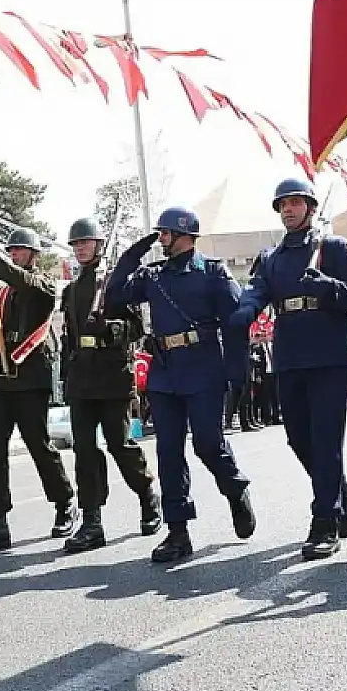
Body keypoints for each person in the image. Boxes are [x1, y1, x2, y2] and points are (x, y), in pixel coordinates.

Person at [109, 208, 254, 564]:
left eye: (164, 234)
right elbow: (113, 296)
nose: (160, 240)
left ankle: (235, 491)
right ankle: (178, 532)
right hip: (164, 372)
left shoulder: (213, 272)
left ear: (183, 234)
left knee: (208, 445)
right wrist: (131, 255)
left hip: (203, 368)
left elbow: (235, 323)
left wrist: (238, 374)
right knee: (168, 454)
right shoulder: (153, 275)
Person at [234, 179, 347, 560]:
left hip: (329, 353)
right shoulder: (271, 257)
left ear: (309, 207)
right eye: (283, 204)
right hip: (290, 354)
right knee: (297, 438)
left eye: (295, 203)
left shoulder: (331, 248)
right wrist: (244, 310)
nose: (289, 209)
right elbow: (258, 289)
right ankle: (341, 489)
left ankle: (325, 519)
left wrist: (328, 287)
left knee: (326, 439)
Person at [0, 228, 78, 555]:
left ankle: (64, 502)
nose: (14, 254)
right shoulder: (0, 293)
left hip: (29, 378)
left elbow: (26, 284)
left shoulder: (42, 284)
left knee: (38, 446)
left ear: (33, 254)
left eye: (19, 250)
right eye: (11, 250)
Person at [58, 217, 161, 553]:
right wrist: (66, 375)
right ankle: (92, 520)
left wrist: (110, 328)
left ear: (99, 245)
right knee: (84, 450)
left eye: (85, 242)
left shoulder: (115, 282)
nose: (80, 248)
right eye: (76, 244)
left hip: (112, 373)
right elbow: (68, 338)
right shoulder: (72, 289)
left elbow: (136, 327)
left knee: (119, 444)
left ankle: (147, 493)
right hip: (81, 378)